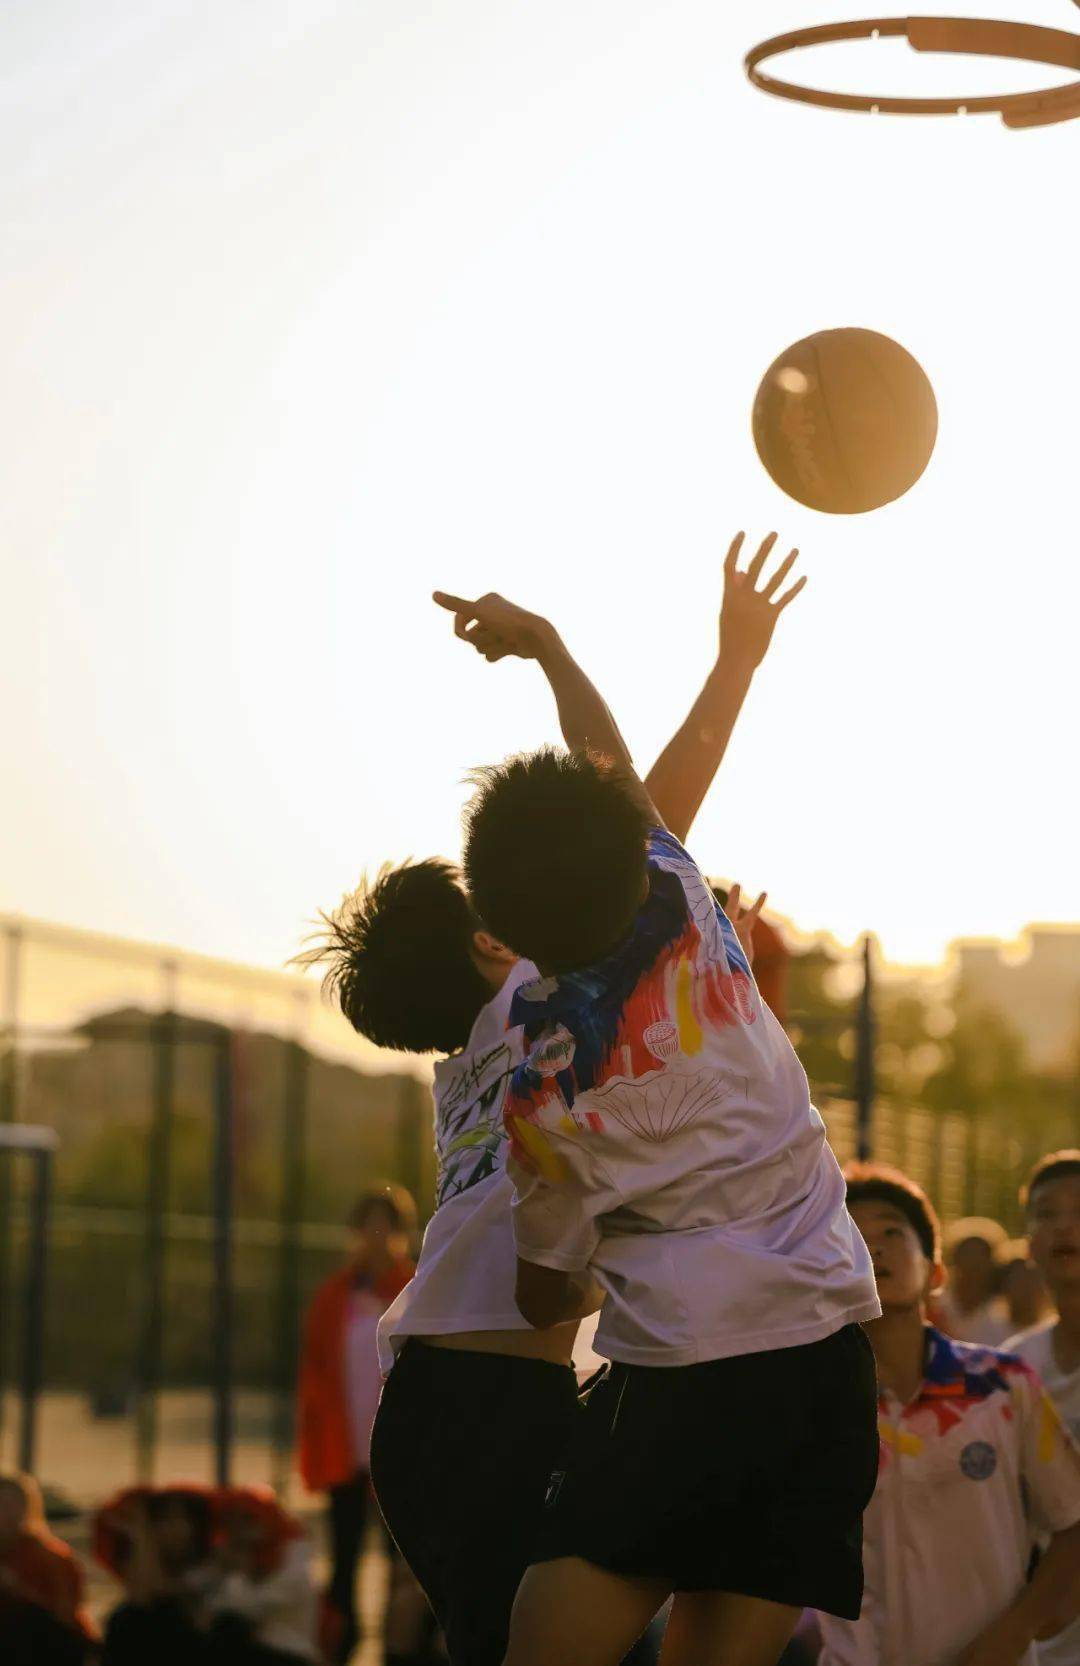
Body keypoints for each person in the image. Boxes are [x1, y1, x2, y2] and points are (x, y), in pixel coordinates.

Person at [310, 536, 790, 1666]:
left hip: (446, 1408)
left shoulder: (480, 1062)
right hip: (489, 1409)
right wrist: (559, 650)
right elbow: (627, 803)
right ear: (492, 939)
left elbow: (629, 840)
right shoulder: (536, 1011)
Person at [432, 548, 880, 1666]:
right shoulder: (681, 902)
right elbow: (612, 766)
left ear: (502, 914)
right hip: (821, 1356)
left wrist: (572, 1266)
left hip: (680, 1378)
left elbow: (544, 1290)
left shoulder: (537, 1085)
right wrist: (554, 648)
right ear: (629, 858)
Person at [827, 1162, 1080, 1666]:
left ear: (934, 1272)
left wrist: (1018, 1630)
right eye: (851, 1235)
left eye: (892, 1233)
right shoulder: (811, 1410)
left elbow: (1072, 1523)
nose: (872, 1248)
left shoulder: (1001, 1385)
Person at [297, 1184, 427, 1665]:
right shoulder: (334, 1296)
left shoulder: (417, 1291)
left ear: (401, 1232)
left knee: (402, 1566)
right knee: (343, 1562)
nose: (376, 1237)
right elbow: (315, 1378)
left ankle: (402, 1652)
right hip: (345, 1452)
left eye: (386, 1226)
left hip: (398, 1457)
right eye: (367, 1226)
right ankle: (340, 1649)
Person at [1009, 1151, 1080, 1666]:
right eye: (1045, 1213)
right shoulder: (1014, 1367)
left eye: (1079, 1211)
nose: (1063, 1228)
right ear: (1028, 1242)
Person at [95, 1484, 217, 1666]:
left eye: (183, 1519)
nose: (177, 1529)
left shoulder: (211, 1566)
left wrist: (140, 1532)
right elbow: (141, 1596)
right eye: (164, 1520)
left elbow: (155, 1594)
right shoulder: (151, 1566)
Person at [204, 1485, 319, 1665]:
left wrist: (237, 1569)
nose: (240, 1530)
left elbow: (245, 1606)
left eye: (248, 1520)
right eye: (232, 1522)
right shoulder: (239, 1559)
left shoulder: (290, 1560)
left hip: (289, 1655)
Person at [0, 1471, 96, 1665]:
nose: (7, 1513)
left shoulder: (51, 1557)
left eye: (13, 1505)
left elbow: (65, 1616)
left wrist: (19, 1590)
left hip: (43, 1647)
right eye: (1, 1505)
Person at [936, 1215, 1013, 1345]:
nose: (972, 1264)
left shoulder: (1002, 1317)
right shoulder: (934, 1306)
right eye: (967, 1255)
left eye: (980, 1257)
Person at [999, 1235, 1053, 1337]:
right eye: (1018, 1280)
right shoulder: (986, 1329)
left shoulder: (1058, 1333)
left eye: (1033, 1280)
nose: (1026, 1288)